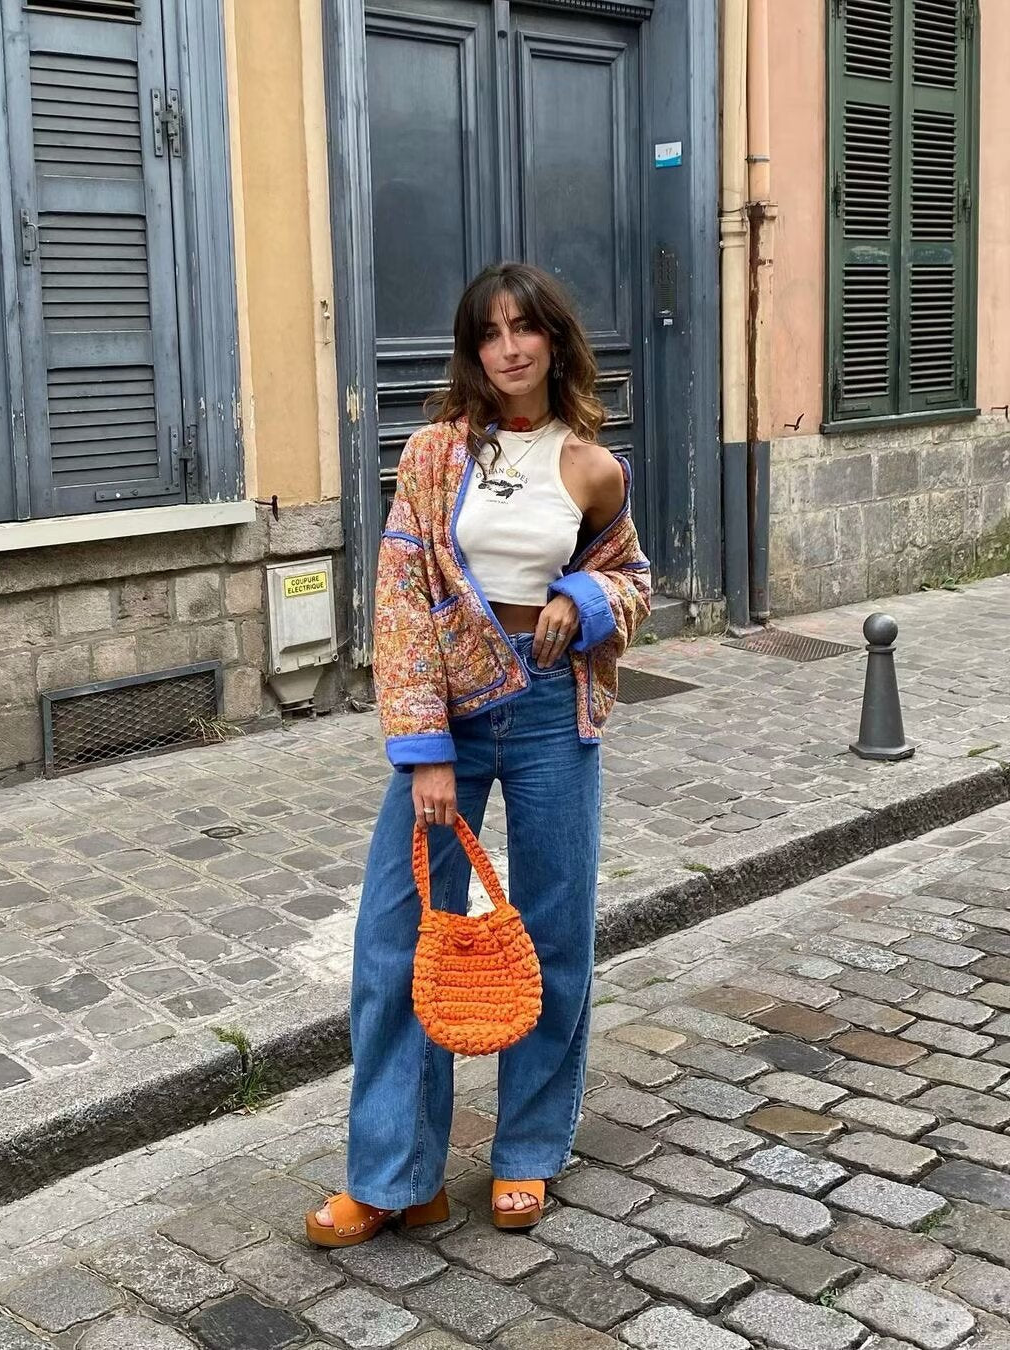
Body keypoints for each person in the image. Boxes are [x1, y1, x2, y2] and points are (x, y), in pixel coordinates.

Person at [305, 262, 652, 1247]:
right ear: (474, 346)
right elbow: (404, 605)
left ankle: (529, 1152)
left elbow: (630, 581)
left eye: (526, 328)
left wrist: (581, 603)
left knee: (551, 939)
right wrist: (422, 748)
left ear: (554, 340)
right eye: (492, 331)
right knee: (396, 940)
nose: (510, 347)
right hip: (450, 718)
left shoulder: (591, 467)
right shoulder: (432, 454)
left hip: (549, 714)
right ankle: (394, 1175)